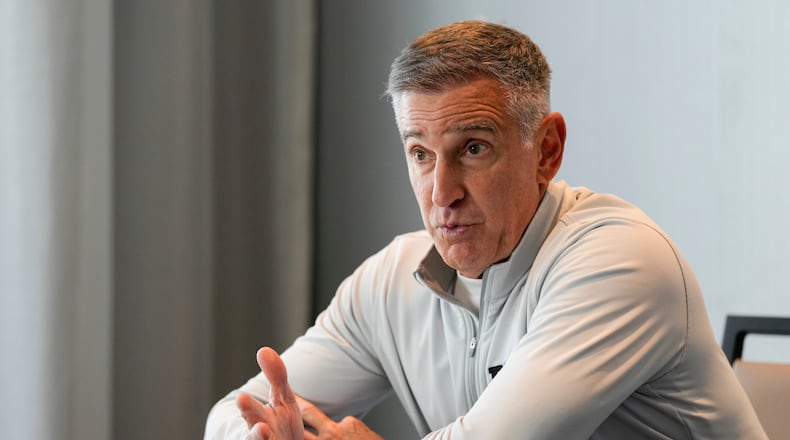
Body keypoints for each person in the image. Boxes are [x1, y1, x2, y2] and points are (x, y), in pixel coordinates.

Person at [205, 20, 767, 439]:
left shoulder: (621, 260)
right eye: (420, 154)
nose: (441, 193)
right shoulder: (389, 281)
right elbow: (230, 414)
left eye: (473, 148)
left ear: (546, 151)